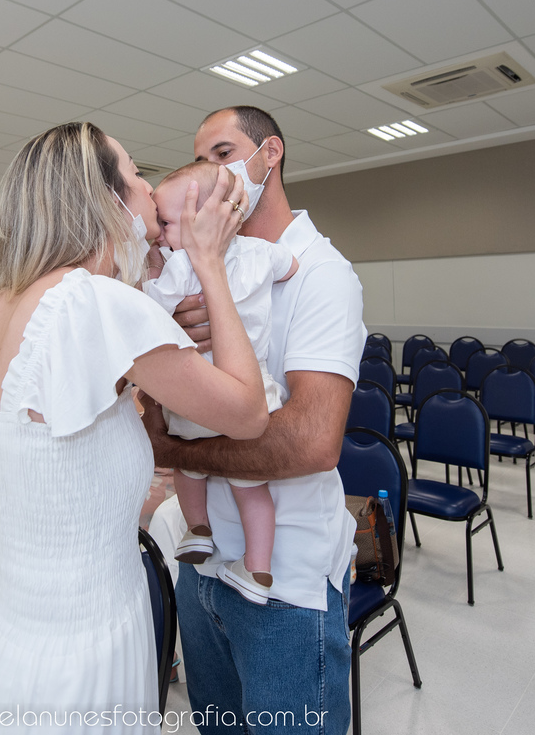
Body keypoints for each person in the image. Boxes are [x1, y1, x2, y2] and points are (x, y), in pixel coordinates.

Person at [0, 122, 269, 733]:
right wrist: (210, 263)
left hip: (3, 621)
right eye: (137, 172)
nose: (150, 187)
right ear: (104, 196)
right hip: (79, 644)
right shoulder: (94, 304)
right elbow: (249, 413)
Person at [142, 106, 365, 735]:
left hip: (286, 581)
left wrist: (180, 452)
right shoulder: (191, 270)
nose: (210, 175)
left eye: (222, 153)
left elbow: (311, 444)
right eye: (200, 161)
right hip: (204, 562)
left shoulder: (320, 274)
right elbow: (154, 402)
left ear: (270, 154)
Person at [143, 161, 297, 604]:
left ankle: (197, 530)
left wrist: (155, 269)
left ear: (201, 218)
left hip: (204, 397)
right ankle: (259, 568)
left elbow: (149, 306)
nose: (160, 233)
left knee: (188, 466)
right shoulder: (258, 252)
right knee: (251, 487)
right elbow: (290, 265)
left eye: (167, 224)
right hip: (256, 391)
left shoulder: (181, 268)